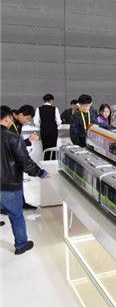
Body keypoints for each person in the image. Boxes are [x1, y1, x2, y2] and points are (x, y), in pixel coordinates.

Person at [1, 106, 50, 254]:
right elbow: (25, 162)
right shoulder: (13, 138)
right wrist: (40, 172)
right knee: (16, 216)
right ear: (7, 118)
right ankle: (21, 245)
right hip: (9, 185)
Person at [8, 105, 39, 210]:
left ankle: (21, 203)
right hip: (8, 158)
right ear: (20, 114)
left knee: (18, 180)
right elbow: (12, 145)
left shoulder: (18, 124)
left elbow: (16, 143)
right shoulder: (9, 124)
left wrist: (27, 141)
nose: (27, 121)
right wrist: (28, 140)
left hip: (14, 158)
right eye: (27, 118)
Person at [33, 94, 62, 160]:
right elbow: (59, 121)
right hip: (53, 130)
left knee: (45, 147)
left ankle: (46, 161)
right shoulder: (55, 108)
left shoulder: (39, 109)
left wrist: (41, 126)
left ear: (44, 100)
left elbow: (35, 121)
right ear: (51, 100)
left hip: (44, 130)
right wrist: (54, 125)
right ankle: (53, 160)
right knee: (53, 146)